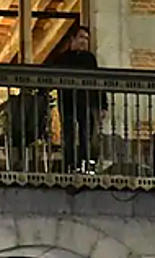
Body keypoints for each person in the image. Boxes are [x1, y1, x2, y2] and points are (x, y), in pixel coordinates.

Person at [47, 25, 107, 173]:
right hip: (67, 102)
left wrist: (103, 104)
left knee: (86, 135)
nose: (84, 42)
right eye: (81, 37)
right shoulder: (62, 59)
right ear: (72, 39)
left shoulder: (89, 59)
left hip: (85, 102)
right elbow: (51, 78)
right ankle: (70, 166)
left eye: (86, 39)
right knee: (69, 135)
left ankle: (86, 165)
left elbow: (98, 81)